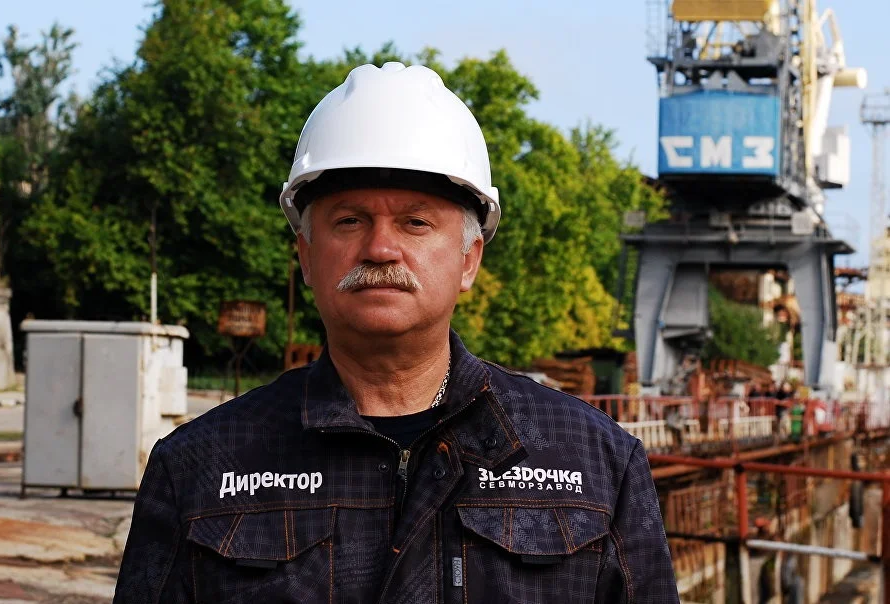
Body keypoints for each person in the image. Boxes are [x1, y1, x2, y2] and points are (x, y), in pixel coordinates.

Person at [113, 62, 679, 603]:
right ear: (306, 256)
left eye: (415, 222)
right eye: (349, 221)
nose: (381, 248)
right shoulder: (198, 468)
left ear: (469, 260)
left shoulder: (597, 463)